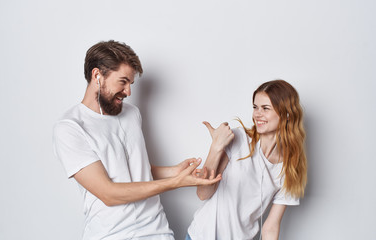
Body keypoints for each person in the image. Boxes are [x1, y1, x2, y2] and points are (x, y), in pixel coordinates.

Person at [52, 40, 221, 240]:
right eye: (122, 82)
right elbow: (109, 193)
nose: (128, 92)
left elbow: (134, 169)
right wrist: (174, 182)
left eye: (131, 84)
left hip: (158, 232)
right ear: (97, 75)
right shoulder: (71, 128)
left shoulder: (132, 114)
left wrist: (175, 171)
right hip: (111, 235)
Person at [187, 80, 308, 240]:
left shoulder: (289, 168)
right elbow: (203, 193)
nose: (257, 114)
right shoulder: (238, 139)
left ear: (286, 114)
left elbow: (271, 227)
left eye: (265, 108)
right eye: (255, 107)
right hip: (202, 236)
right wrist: (216, 147)